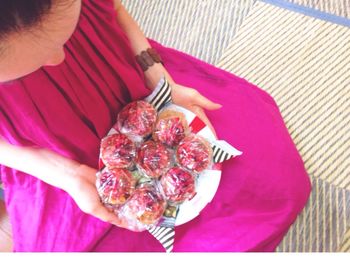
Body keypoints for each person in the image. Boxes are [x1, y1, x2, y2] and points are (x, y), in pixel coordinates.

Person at [0, 0, 311, 252]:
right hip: (52, 151)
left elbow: (116, 10)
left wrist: (159, 77)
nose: (59, 57)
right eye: (31, 65)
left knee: (275, 184)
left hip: (137, 88)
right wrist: (64, 173)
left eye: (65, 33)